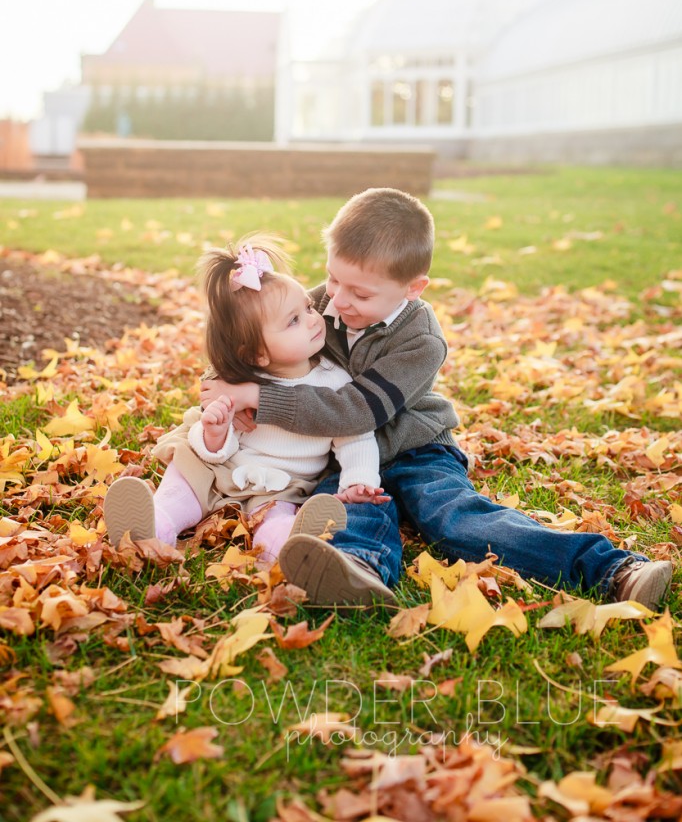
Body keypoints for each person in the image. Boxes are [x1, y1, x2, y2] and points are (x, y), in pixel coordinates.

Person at [201, 188, 674, 611]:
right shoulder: (323, 302)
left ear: (412, 288)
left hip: (415, 448)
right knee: (338, 508)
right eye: (333, 279)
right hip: (344, 456)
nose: (337, 300)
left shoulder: (420, 339)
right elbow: (259, 336)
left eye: (359, 292)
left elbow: (359, 410)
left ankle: (612, 570)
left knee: (451, 517)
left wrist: (258, 398)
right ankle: (354, 570)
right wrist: (224, 389)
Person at [103, 236, 390, 574]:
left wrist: (357, 479)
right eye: (294, 320)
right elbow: (214, 449)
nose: (314, 319)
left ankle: (288, 546)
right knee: (184, 482)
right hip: (218, 470)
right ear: (258, 354)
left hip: (282, 485)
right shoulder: (239, 382)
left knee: (277, 517)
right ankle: (155, 523)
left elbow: (354, 435)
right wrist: (214, 432)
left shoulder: (335, 381)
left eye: (309, 308)